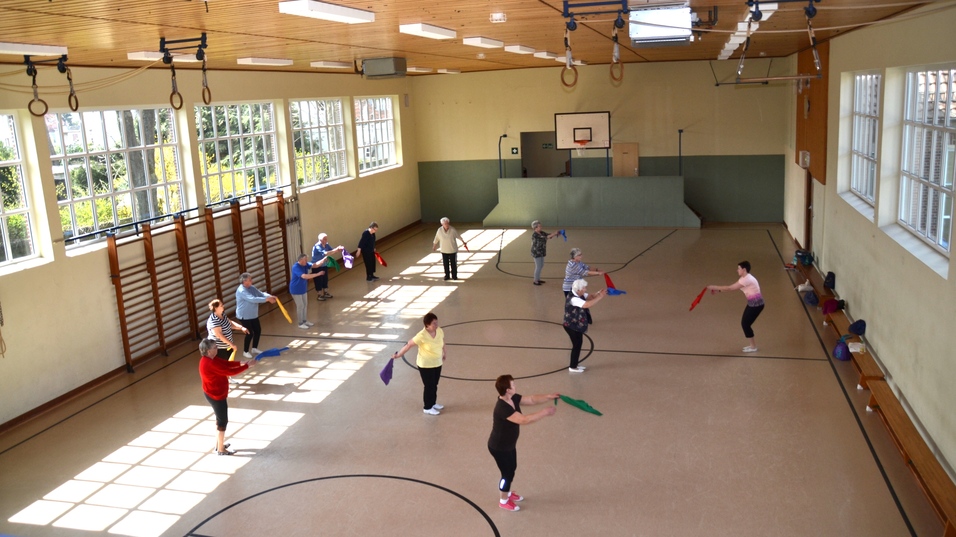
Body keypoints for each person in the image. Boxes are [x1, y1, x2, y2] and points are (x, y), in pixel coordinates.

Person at [487, 374, 558, 512]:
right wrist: (545, 412)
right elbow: (524, 420)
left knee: (512, 468)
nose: (515, 386)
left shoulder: (512, 398)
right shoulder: (502, 408)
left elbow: (530, 399)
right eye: (513, 385)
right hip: (499, 448)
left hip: (509, 445)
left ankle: (507, 493)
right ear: (507, 390)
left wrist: (548, 397)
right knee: (506, 474)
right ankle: (503, 500)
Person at [198, 338, 256, 455]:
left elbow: (225, 363)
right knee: (222, 422)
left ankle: (218, 444)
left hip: (213, 393)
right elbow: (229, 372)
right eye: (215, 347)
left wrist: (241, 362)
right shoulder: (210, 363)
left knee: (220, 420)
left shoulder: (209, 359)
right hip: (216, 395)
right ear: (209, 351)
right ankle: (221, 449)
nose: (217, 348)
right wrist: (247, 366)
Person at [391, 312, 446, 415]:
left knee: (434, 384)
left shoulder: (439, 331)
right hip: (425, 365)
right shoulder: (421, 336)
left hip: (437, 363)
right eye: (434, 323)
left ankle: (433, 403)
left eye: (436, 322)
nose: (436, 325)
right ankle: (427, 407)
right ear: (427, 326)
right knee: (429, 385)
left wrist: (444, 353)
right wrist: (398, 355)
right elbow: (408, 345)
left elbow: (442, 342)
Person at [707, 260, 765, 353]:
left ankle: (753, 347)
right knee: (745, 324)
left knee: (745, 324)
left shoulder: (747, 279)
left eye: (738, 268)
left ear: (744, 269)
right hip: (753, 304)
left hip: (756, 305)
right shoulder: (744, 278)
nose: (737, 270)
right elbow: (732, 288)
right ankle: (752, 346)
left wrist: (715, 287)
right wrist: (719, 291)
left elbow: (730, 287)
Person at [564, 278, 606, 373]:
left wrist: (599, 293)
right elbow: (587, 304)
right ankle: (573, 367)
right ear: (578, 290)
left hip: (576, 324)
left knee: (578, 344)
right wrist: (600, 297)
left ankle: (575, 364)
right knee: (576, 345)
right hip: (571, 325)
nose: (585, 289)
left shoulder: (579, 294)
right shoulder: (574, 299)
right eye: (584, 288)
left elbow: (590, 296)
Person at [235, 272, 277, 358]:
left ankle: (254, 348)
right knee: (249, 333)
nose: (252, 281)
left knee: (257, 330)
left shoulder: (251, 288)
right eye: (250, 280)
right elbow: (253, 299)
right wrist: (267, 299)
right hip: (244, 315)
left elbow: (261, 293)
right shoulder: (242, 290)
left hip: (252, 314)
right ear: (244, 281)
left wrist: (270, 296)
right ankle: (245, 351)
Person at [563, 248, 603, 325]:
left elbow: (587, 267)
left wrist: (597, 269)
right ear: (574, 257)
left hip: (578, 287)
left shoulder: (579, 262)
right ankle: (573, 320)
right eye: (579, 255)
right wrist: (598, 273)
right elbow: (585, 272)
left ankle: (586, 319)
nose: (581, 256)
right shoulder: (572, 265)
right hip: (570, 288)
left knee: (582, 302)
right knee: (575, 305)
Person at [290, 254, 323, 329]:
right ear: (300, 260)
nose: (306, 261)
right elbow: (304, 276)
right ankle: (300, 323)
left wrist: (323, 260)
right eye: (305, 260)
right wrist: (317, 274)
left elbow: (315, 265)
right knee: (300, 305)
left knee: (305, 304)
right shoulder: (296, 267)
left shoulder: (305, 264)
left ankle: (305, 321)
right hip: (296, 289)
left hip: (303, 289)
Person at [311, 233, 344, 300]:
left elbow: (332, 250)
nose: (326, 240)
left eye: (326, 238)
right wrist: (336, 250)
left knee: (325, 279)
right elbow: (326, 253)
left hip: (324, 265)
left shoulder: (326, 245)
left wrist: (338, 249)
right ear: (320, 239)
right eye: (324, 239)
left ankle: (326, 292)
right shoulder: (317, 246)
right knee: (318, 280)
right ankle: (319, 295)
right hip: (317, 266)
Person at [530, 220, 558, 285]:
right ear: (535, 228)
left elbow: (548, 235)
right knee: (538, 266)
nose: (541, 227)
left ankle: (538, 279)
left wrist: (555, 233)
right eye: (539, 226)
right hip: (537, 252)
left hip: (541, 251)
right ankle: (535, 280)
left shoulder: (541, 232)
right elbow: (545, 237)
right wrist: (554, 233)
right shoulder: (535, 235)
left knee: (541, 265)